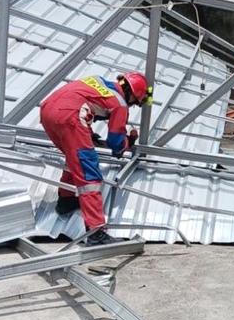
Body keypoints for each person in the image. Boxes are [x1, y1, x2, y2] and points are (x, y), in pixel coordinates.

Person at [39, 72, 151, 246]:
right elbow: (115, 143)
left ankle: (66, 200)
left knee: (74, 156)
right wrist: (128, 142)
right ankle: (95, 232)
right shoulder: (120, 104)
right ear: (131, 95)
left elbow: (78, 100)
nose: (132, 105)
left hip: (47, 111)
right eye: (135, 102)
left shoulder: (97, 81)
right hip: (69, 118)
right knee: (89, 173)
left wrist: (88, 133)